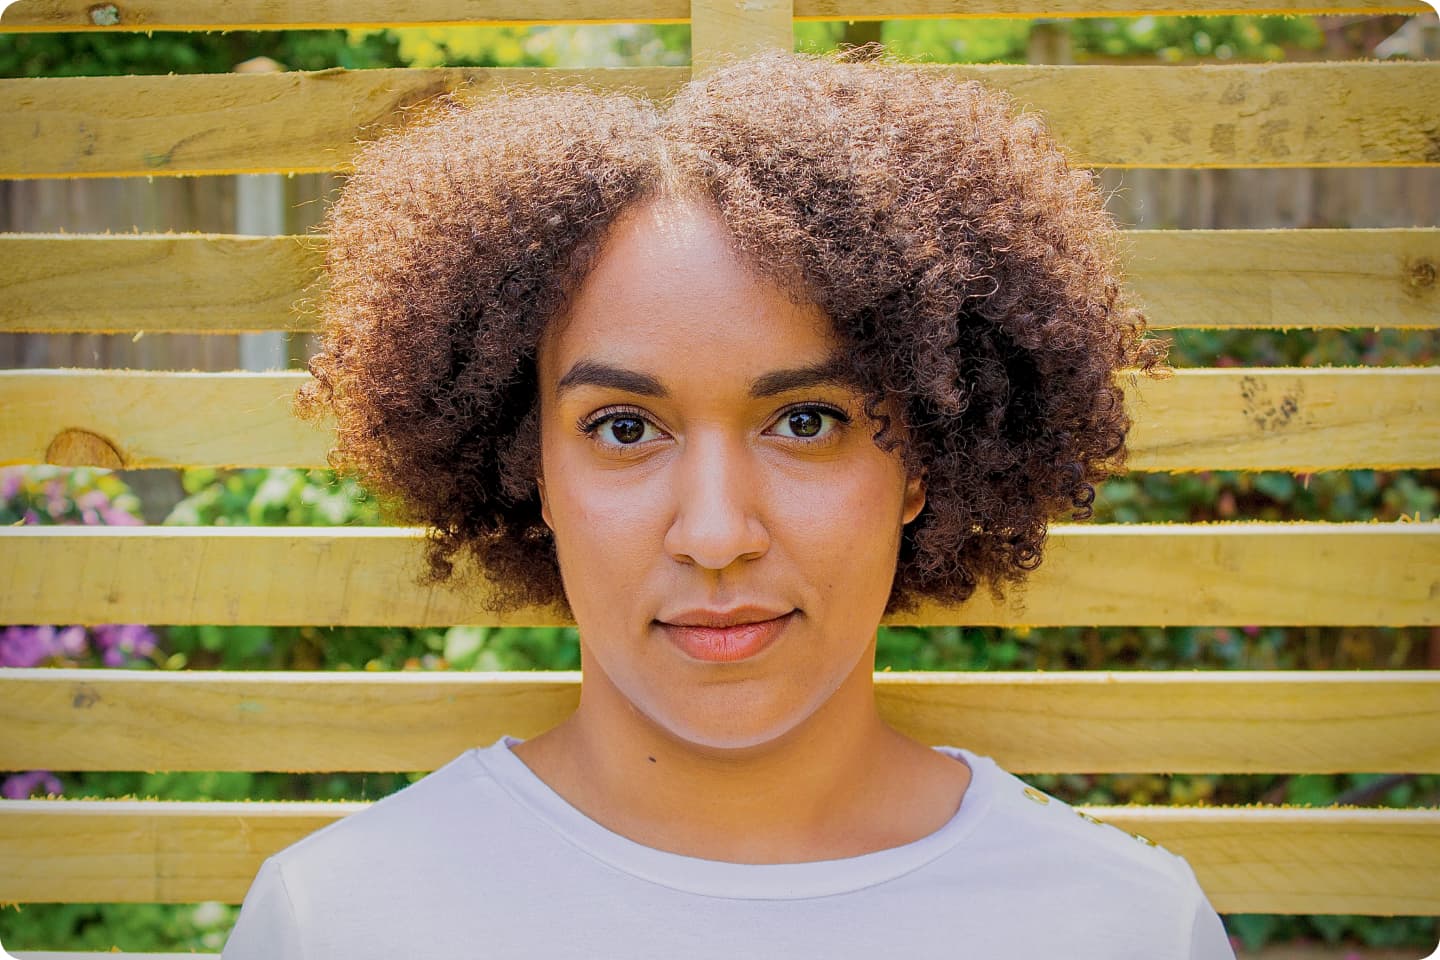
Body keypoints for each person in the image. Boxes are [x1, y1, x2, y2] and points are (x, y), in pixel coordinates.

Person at [222, 47, 1234, 959]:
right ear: (528, 467)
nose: (715, 536)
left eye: (805, 422)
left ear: (924, 460)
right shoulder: (339, 921)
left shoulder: (1125, 926)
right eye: (624, 429)